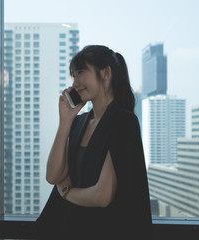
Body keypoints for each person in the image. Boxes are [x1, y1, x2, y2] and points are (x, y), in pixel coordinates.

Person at [36, 45, 152, 239]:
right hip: (68, 228)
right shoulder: (79, 122)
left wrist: (66, 192)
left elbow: (102, 195)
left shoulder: (123, 122)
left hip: (102, 230)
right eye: (73, 75)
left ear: (106, 73)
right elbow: (53, 175)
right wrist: (66, 120)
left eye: (81, 72)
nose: (75, 82)